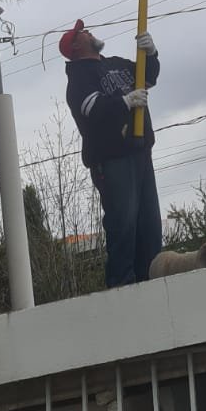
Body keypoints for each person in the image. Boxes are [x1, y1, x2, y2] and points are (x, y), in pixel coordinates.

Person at [60, 19, 162, 288]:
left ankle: (151, 280)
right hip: (113, 159)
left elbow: (148, 77)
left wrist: (151, 54)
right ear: (75, 47)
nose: (88, 31)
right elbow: (92, 109)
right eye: (82, 33)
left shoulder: (115, 63)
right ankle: (122, 285)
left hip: (141, 152)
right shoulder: (79, 78)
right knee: (124, 223)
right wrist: (125, 101)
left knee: (149, 225)